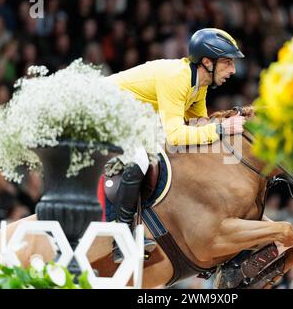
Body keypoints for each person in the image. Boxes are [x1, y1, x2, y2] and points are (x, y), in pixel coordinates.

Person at [102, 28, 246, 261]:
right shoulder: (177, 78)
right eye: (228, 62)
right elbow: (176, 136)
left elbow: (199, 126)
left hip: (129, 115)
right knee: (140, 155)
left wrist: (226, 124)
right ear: (207, 62)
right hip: (103, 109)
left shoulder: (199, 85)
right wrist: (221, 129)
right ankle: (121, 235)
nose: (233, 70)